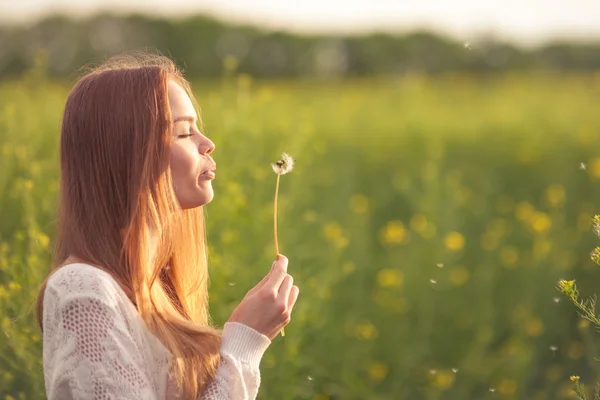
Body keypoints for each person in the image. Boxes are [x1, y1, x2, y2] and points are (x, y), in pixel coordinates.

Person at [34, 52, 299, 399]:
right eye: (184, 132)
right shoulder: (83, 292)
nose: (208, 144)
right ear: (129, 153)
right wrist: (244, 343)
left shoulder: (157, 289)